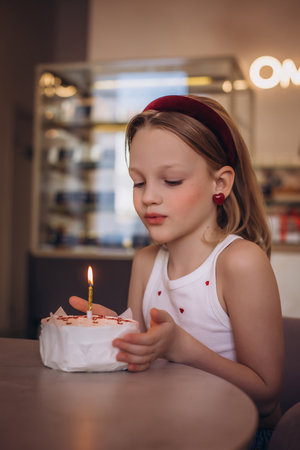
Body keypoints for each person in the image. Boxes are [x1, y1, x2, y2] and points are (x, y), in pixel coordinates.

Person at [70, 95, 284, 442]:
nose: (149, 197)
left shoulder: (240, 262)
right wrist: (112, 333)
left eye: (171, 181)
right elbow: (139, 363)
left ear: (221, 184)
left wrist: (181, 347)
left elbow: (266, 395)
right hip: (160, 424)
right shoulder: (145, 261)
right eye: (138, 182)